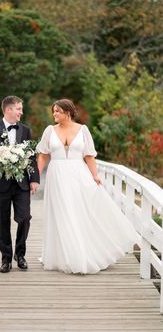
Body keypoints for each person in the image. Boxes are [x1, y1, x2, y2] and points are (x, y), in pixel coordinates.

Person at [36, 99, 139, 274]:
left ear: (68, 112)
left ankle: (84, 253)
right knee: (62, 213)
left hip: (79, 174)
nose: (54, 114)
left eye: (58, 111)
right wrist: (36, 176)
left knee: (79, 212)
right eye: (53, 111)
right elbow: (43, 156)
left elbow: (89, 156)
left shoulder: (83, 130)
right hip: (57, 176)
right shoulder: (49, 131)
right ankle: (66, 256)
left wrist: (95, 176)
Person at [0, 96, 39, 273]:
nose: (21, 112)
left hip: (21, 184)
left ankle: (20, 254)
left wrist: (34, 179)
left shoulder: (26, 130)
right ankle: (6, 258)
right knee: (2, 222)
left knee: (24, 218)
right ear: (8, 110)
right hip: (0, 185)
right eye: (19, 109)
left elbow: (32, 157)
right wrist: (0, 160)